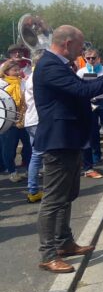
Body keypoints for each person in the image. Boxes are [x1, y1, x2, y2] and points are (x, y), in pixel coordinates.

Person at [34, 25, 103, 273]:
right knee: (53, 200)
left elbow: (79, 92)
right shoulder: (50, 65)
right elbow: (82, 90)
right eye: (80, 45)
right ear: (67, 43)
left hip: (70, 138)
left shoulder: (60, 65)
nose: (83, 50)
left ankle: (64, 243)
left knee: (67, 196)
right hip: (59, 140)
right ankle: (48, 253)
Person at [76, 49, 103, 178]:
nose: (91, 61)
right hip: (89, 103)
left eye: (94, 58)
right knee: (92, 132)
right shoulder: (82, 72)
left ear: (99, 58)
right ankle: (95, 157)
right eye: (88, 58)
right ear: (85, 58)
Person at [0, 59, 31, 182]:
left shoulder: (23, 83)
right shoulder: (1, 84)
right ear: (6, 71)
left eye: (19, 70)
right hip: (9, 123)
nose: (18, 72)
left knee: (28, 147)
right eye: (15, 70)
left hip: (24, 121)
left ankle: (30, 170)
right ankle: (12, 172)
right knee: (9, 149)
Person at [23, 57, 43, 203]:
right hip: (38, 120)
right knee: (40, 156)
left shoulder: (31, 77)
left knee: (36, 155)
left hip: (31, 120)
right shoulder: (38, 77)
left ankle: (33, 190)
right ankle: (34, 190)